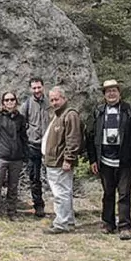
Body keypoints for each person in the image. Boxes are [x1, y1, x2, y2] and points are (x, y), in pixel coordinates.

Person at [87, 80, 131, 240]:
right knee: (108, 193)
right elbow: (91, 136)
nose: (111, 94)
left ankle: (125, 226)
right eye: (107, 91)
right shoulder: (98, 111)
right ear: (104, 94)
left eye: (114, 90)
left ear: (119, 93)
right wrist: (93, 159)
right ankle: (107, 223)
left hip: (125, 160)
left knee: (124, 194)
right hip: (104, 160)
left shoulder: (129, 111)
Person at [42, 86, 82, 234]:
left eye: (57, 99)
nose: (54, 102)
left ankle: (61, 223)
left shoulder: (69, 115)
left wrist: (69, 159)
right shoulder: (58, 115)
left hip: (60, 162)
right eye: (52, 100)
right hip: (53, 162)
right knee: (64, 192)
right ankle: (68, 221)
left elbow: (73, 139)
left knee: (61, 194)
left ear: (64, 98)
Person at [0, 92, 27, 223]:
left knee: (13, 186)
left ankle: (12, 211)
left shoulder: (20, 118)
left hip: (16, 157)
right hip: (1, 156)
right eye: (7, 100)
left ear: (16, 101)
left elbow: (24, 138)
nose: (10, 102)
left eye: (12, 99)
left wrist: (25, 154)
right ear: (3, 102)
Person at [20, 77, 48, 218]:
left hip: (49, 146)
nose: (37, 90)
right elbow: (21, 124)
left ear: (43, 87)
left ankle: (62, 206)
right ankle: (38, 205)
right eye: (34, 88)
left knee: (55, 176)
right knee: (34, 177)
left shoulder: (50, 103)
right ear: (31, 89)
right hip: (33, 145)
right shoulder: (27, 105)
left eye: (39, 87)